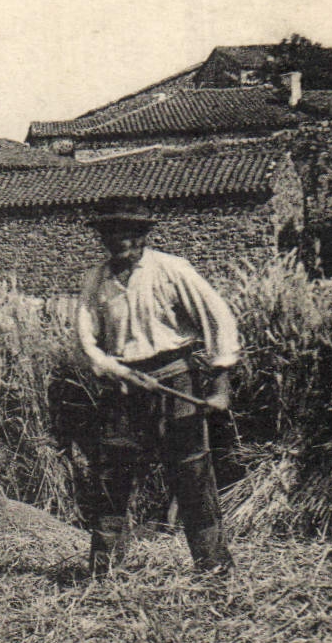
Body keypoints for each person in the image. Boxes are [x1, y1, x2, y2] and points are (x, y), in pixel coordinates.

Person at [75, 205, 239, 576]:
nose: (123, 243)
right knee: (111, 477)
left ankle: (213, 568)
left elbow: (219, 317)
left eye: (131, 235)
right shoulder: (96, 279)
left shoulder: (171, 270)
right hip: (122, 386)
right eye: (113, 236)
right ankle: (103, 573)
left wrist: (220, 379)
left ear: (144, 237)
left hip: (175, 379)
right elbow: (85, 340)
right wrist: (115, 369)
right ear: (104, 240)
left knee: (192, 473)